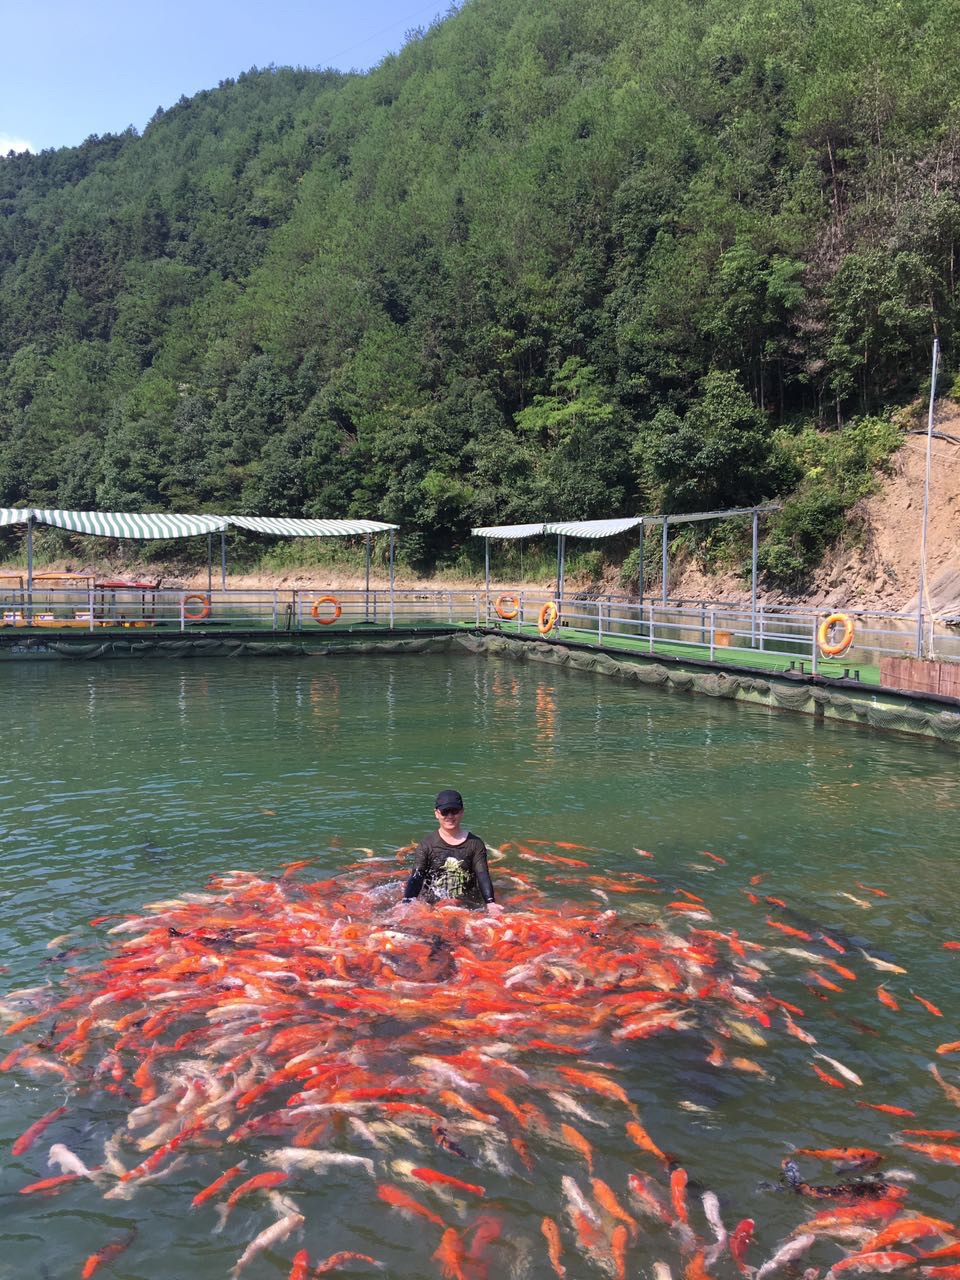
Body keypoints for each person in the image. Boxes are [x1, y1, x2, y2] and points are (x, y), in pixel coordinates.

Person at [401, 790, 503, 916]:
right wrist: (406, 902)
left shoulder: (475, 844)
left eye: (454, 811)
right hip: (433, 906)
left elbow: (483, 875)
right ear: (436, 813)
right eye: (445, 812)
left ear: (462, 812)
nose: (450, 816)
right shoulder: (427, 844)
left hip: (466, 905)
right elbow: (417, 876)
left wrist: (490, 902)